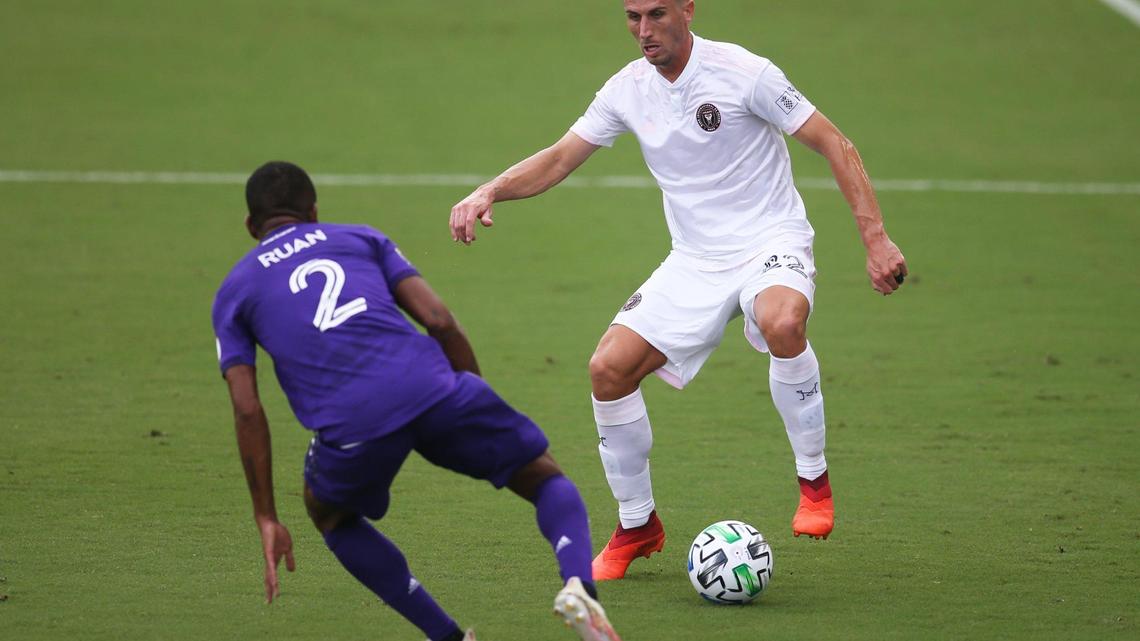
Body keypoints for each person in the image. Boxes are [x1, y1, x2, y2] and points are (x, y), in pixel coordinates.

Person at [449, 0, 907, 582]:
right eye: (632, 17)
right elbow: (561, 157)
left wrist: (876, 239)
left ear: (688, 10)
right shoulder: (626, 90)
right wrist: (490, 190)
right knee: (607, 369)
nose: (644, 30)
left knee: (783, 322)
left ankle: (813, 481)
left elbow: (834, 142)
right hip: (693, 260)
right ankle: (638, 524)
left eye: (657, 14)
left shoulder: (744, 72)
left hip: (771, 237)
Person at [213, 161, 622, 641]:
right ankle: (579, 585)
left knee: (330, 514)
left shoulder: (234, 291)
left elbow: (246, 407)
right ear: (314, 212)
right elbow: (439, 319)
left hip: (352, 428)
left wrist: (266, 515)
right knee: (542, 475)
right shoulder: (360, 238)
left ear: (249, 226)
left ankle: (446, 637)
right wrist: (472, 395)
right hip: (432, 389)